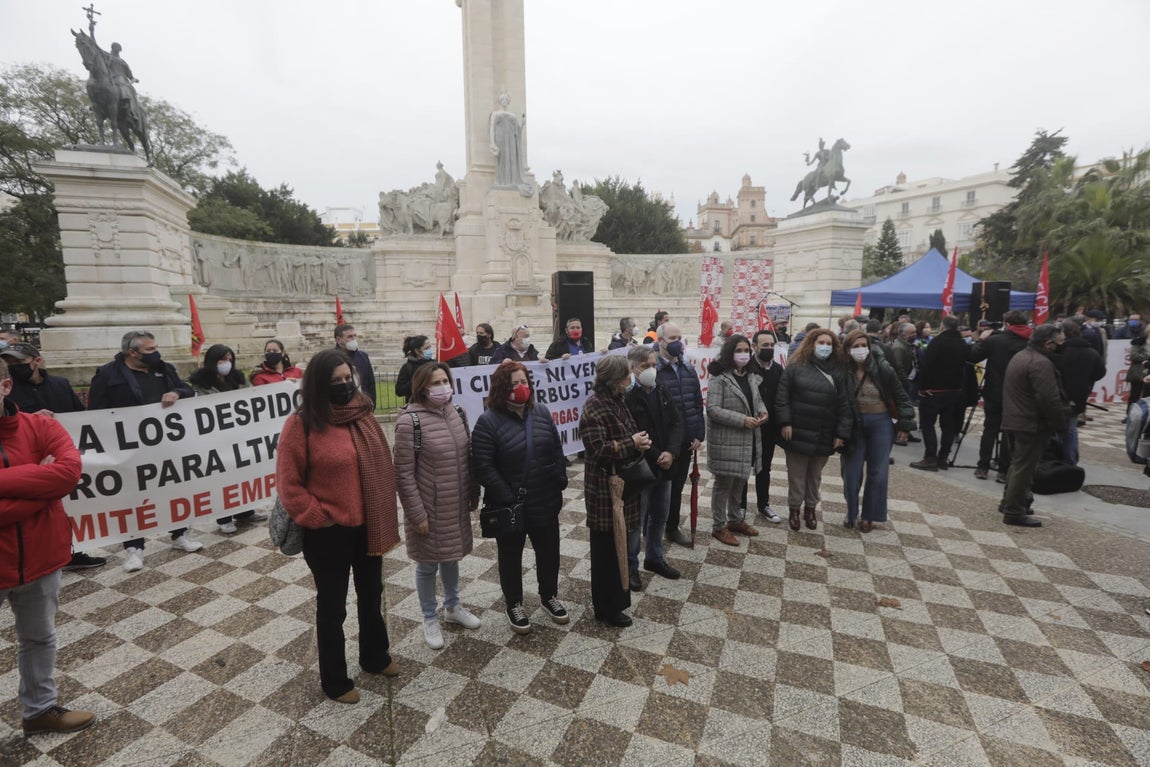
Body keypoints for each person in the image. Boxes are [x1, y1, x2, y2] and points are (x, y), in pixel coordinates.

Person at [275, 349, 400, 703]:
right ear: (319, 385)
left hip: (368, 525)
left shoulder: (362, 414)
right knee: (333, 607)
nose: (345, 386)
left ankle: (374, 656)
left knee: (372, 594)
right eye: (336, 381)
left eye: (349, 378)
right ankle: (335, 680)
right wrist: (318, 516)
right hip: (328, 532)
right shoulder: (302, 424)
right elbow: (289, 484)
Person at [0, 359, 93, 736]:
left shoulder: (41, 425)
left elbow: (69, 473)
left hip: (41, 558)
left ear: (5, 387)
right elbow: (55, 481)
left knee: (39, 638)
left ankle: (39, 710)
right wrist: (42, 484)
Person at [88, 330, 200, 572]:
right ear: (132, 352)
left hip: (166, 445)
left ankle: (179, 534)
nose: (155, 353)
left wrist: (177, 393)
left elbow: (187, 389)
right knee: (132, 498)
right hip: (129, 449)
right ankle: (134, 548)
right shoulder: (108, 374)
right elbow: (95, 411)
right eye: (150, 349)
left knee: (174, 490)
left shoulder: (165, 368)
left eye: (155, 347)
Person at [472, 362, 570, 634]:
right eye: (514, 383)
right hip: (509, 506)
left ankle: (549, 596)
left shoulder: (541, 413)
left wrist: (559, 479)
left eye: (524, 380)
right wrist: (507, 495)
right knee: (511, 556)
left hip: (545, 498)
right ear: (502, 388)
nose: (521, 387)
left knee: (549, 552)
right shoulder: (487, 421)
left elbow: (557, 449)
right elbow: (483, 466)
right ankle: (514, 603)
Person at [394, 363, 481, 649]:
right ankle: (429, 616)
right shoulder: (410, 422)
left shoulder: (457, 413)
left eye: (446, 380)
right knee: (428, 563)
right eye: (436, 382)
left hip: (454, 503)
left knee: (451, 556)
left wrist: (472, 493)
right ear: (422, 387)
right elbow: (403, 473)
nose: (443, 386)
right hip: (428, 506)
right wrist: (416, 513)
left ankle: (453, 606)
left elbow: (468, 456)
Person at [0, 343, 103, 572]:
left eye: (19, 362)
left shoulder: (60, 384)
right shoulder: (11, 392)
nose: (14, 366)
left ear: (36, 361)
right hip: (32, 468)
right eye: (10, 363)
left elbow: (79, 416)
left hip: (63, 457)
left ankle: (71, 550)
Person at [579, 356, 651, 627]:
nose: (630, 380)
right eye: (627, 376)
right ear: (616, 379)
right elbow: (597, 449)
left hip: (624, 486)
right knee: (606, 551)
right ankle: (606, 607)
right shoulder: (594, 406)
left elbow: (627, 434)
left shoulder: (618, 401)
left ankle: (618, 602)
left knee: (621, 544)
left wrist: (639, 442)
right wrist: (629, 443)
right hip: (604, 491)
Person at [775, 329, 853, 531]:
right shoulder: (795, 366)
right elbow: (782, 397)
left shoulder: (839, 371)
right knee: (797, 475)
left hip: (825, 432)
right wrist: (785, 422)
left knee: (815, 475)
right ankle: (794, 510)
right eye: (821, 342)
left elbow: (845, 405)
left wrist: (841, 433)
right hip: (797, 430)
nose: (825, 346)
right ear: (811, 343)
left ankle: (810, 509)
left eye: (829, 343)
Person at [188, 344, 268, 535]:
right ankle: (224, 517)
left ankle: (245, 511)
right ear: (212, 361)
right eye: (223, 360)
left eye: (230, 359)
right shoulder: (199, 383)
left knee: (242, 475)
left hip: (239, 437)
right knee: (222, 479)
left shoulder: (238, 378)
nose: (227, 363)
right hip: (216, 440)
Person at [840, 331, 914, 532]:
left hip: (881, 422)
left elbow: (901, 396)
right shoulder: (842, 369)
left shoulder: (882, 368)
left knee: (878, 472)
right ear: (847, 349)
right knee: (851, 472)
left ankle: (869, 516)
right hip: (854, 424)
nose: (860, 350)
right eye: (855, 346)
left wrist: (905, 426)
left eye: (863, 345)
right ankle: (852, 512)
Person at [623, 346, 683, 585]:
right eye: (645, 366)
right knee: (636, 521)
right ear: (633, 368)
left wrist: (672, 452)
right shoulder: (628, 396)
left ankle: (655, 558)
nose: (651, 370)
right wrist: (658, 454)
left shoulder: (662, 389)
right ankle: (631, 566)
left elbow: (676, 422)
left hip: (665, 466)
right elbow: (632, 431)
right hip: (643, 466)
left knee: (659, 516)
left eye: (653, 365)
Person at [999, 325, 1070, 528]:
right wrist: (1060, 423)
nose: (1062, 347)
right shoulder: (1040, 363)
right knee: (1024, 468)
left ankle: (1010, 503)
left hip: (1016, 419)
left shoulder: (1022, 355)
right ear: (1048, 343)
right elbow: (1049, 399)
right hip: (1030, 423)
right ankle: (1014, 510)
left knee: (1017, 464)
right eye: (1060, 343)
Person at [705, 335, 768, 546]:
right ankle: (718, 526)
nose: (743, 354)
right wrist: (742, 420)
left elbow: (756, 400)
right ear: (730, 352)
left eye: (746, 350)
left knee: (740, 482)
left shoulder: (750, 375)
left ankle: (735, 520)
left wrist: (762, 412)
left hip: (747, 439)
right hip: (726, 440)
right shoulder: (719, 376)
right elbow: (713, 409)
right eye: (738, 350)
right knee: (723, 484)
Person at [653, 322, 705, 547]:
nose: (677, 342)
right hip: (663, 442)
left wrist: (698, 434)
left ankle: (671, 527)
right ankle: (653, 528)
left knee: (677, 487)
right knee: (657, 489)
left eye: (679, 337)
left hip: (685, 441)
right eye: (672, 338)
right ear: (660, 341)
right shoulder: (652, 369)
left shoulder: (687, 367)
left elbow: (695, 402)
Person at [970, 311, 1031, 481]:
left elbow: (973, 356)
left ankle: (983, 467)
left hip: (995, 392)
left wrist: (981, 340)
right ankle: (1004, 470)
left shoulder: (995, 340)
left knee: (990, 430)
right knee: (1009, 433)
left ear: (1007, 324)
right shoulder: (1031, 341)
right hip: (1019, 395)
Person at [910, 316, 970, 471]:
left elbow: (927, 365)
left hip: (934, 390)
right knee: (948, 425)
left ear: (943, 326)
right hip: (954, 390)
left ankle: (930, 457)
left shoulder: (937, 342)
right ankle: (943, 457)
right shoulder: (962, 344)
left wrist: (922, 387)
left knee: (928, 424)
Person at [743, 330, 783, 523]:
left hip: (768, 429)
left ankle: (763, 505)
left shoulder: (777, 370)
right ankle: (740, 506)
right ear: (754, 346)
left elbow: (781, 398)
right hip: (747, 426)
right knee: (743, 467)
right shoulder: (745, 367)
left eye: (771, 345)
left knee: (764, 468)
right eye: (764, 345)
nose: (768, 349)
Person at [1056, 319, 1106, 465]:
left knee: (1055, 427)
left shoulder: (1060, 350)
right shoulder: (1091, 352)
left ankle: (1056, 457)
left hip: (1060, 392)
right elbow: (1100, 372)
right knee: (1071, 429)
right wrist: (1087, 381)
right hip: (1080, 393)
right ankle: (1070, 460)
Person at [335, 324, 377, 407]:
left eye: (355, 336)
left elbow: (370, 383)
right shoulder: (331, 358)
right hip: (342, 406)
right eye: (350, 337)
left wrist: (372, 403)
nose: (354, 339)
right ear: (339, 340)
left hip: (364, 404)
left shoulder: (363, 356)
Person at [395, 335, 433, 403]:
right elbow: (399, 391)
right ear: (417, 351)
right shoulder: (407, 368)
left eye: (430, 347)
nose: (430, 350)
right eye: (426, 348)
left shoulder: (435, 364)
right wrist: (417, 381)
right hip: (415, 405)